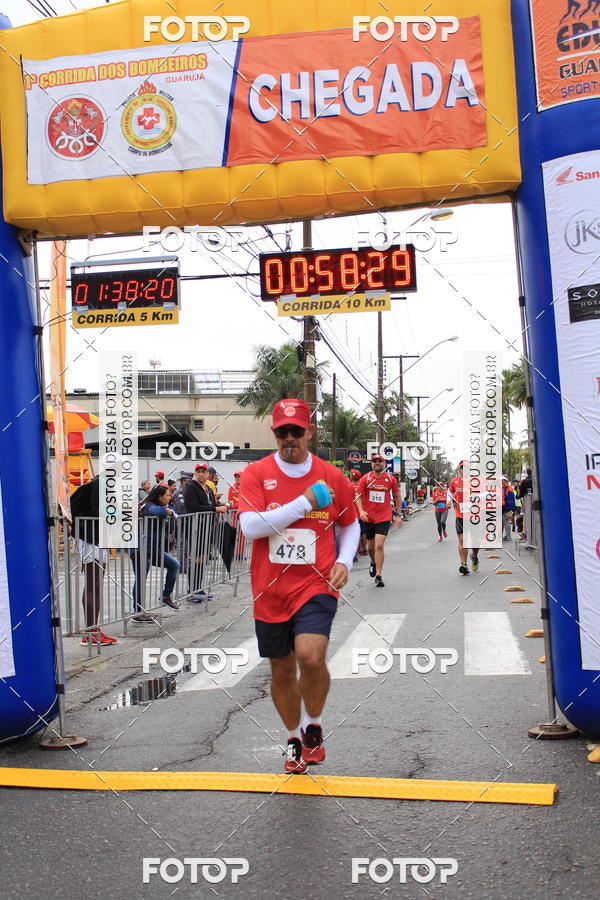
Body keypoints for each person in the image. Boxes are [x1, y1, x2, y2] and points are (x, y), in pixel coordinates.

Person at [238, 398, 359, 774]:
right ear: (275, 433)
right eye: (282, 432)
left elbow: (350, 523)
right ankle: (293, 735)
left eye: (296, 431)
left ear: (309, 432)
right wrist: (303, 503)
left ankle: (314, 725)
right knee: (282, 669)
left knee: (310, 655)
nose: (289, 438)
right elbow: (252, 526)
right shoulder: (256, 474)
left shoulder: (331, 475)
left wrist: (345, 560)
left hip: (316, 582)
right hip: (270, 589)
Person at [70, 476, 117, 646]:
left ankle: (94, 629)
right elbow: (100, 511)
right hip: (90, 537)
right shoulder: (101, 482)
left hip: (98, 537)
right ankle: (90, 632)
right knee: (92, 584)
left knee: (96, 585)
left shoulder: (106, 482)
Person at [129, 484, 180, 623]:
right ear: (159, 496)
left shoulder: (161, 506)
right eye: (167, 495)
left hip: (153, 549)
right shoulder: (147, 506)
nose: (169, 498)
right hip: (140, 548)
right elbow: (153, 511)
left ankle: (166, 596)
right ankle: (138, 612)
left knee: (174, 565)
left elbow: (175, 511)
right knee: (141, 579)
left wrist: (169, 511)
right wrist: (167, 512)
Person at [354, 455, 402, 587]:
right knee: (370, 547)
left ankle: (379, 576)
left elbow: (398, 496)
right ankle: (373, 562)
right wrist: (361, 511)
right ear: (371, 464)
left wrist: (398, 514)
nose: (377, 463)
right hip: (369, 517)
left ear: (384, 463)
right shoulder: (366, 478)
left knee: (379, 545)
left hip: (384, 517)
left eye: (379, 461)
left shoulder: (390, 479)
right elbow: (357, 495)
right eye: (374, 461)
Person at [184, 462, 227, 602]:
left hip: (206, 527)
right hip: (194, 527)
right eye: (199, 471)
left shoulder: (208, 487)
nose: (201, 474)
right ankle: (192, 591)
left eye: (204, 471)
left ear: (208, 473)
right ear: (195, 473)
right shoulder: (191, 487)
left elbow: (211, 505)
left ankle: (198, 589)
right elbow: (193, 507)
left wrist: (224, 506)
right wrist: (215, 510)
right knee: (195, 558)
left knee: (202, 558)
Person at [449, 461, 480, 575]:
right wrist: (450, 501)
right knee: (462, 539)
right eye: (462, 468)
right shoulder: (455, 481)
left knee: (475, 541)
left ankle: (475, 557)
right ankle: (463, 564)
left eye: (467, 468)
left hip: (475, 515)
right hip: (461, 514)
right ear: (459, 469)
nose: (464, 470)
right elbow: (450, 492)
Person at [348, 468, 368, 556]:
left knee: (355, 533)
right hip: (362, 512)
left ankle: (358, 550)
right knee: (363, 532)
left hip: (352, 514)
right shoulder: (362, 486)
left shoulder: (348, 486)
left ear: (352, 476)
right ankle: (364, 549)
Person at [502, 475, 516, 541]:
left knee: (506, 522)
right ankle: (506, 536)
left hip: (507, 507)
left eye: (502, 480)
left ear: (505, 481)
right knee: (503, 522)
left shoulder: (509, 488)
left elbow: (511, 500)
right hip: (504, 507)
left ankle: (508, 536)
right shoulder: (503, 487)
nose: (501, 481)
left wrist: (509, 509)